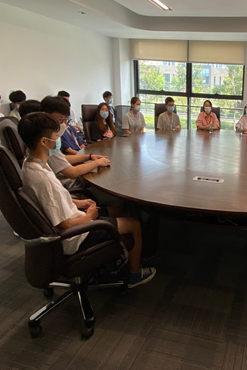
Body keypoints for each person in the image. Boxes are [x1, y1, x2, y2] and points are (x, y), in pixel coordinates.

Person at [18, 112, 155, 287]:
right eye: (56, 136)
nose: (58, 139)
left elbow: (50, 200)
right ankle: (134, 275)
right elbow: (64, 224)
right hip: (75, 236)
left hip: (71, 218)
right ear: (44, 141)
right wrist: (89, 217)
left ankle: (113, 260)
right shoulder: (42, 178)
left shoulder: (31, 164)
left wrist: (77, 203)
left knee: (114, 209)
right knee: (134, 224)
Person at [40, 96, 123, 215]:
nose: (63, 124)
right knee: (117, 197)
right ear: (45, 116)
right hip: (73, 189)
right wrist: (97, 162)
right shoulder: (46, 145)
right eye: (59, 119)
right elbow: (72, 172)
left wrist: (89, 157)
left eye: (64, 119)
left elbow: (63, 158)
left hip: (71, 186)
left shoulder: (45, 142)